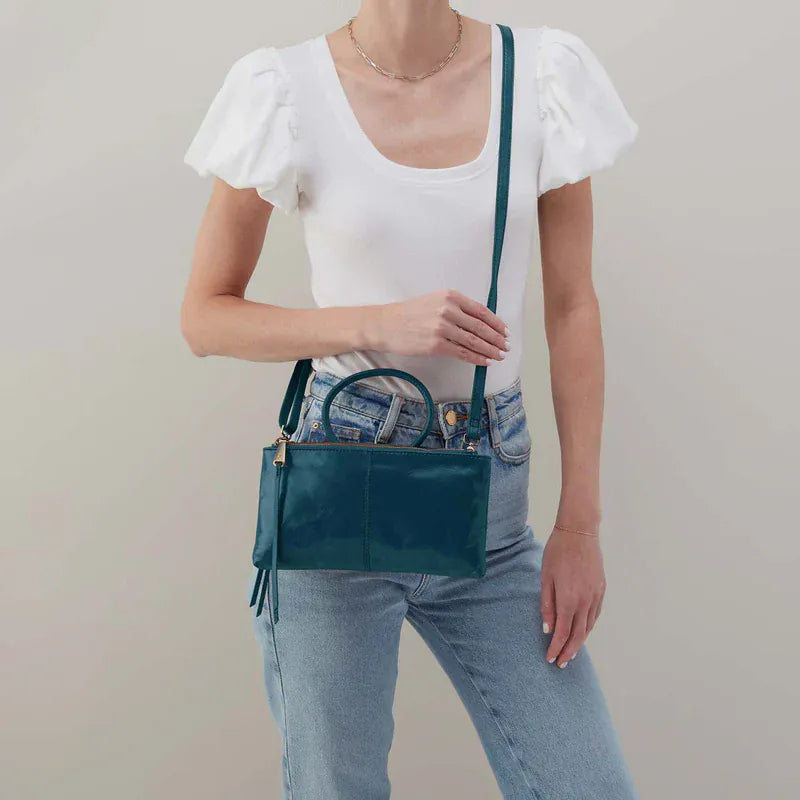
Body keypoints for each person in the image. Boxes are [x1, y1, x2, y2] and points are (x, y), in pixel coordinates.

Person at [182, 3, 639, 798]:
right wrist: (377, 322)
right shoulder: (283, 89)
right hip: (337, 497)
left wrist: (580, 525)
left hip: (493, 508)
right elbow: (205, 317)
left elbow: (573, 308)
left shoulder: (539, 75)